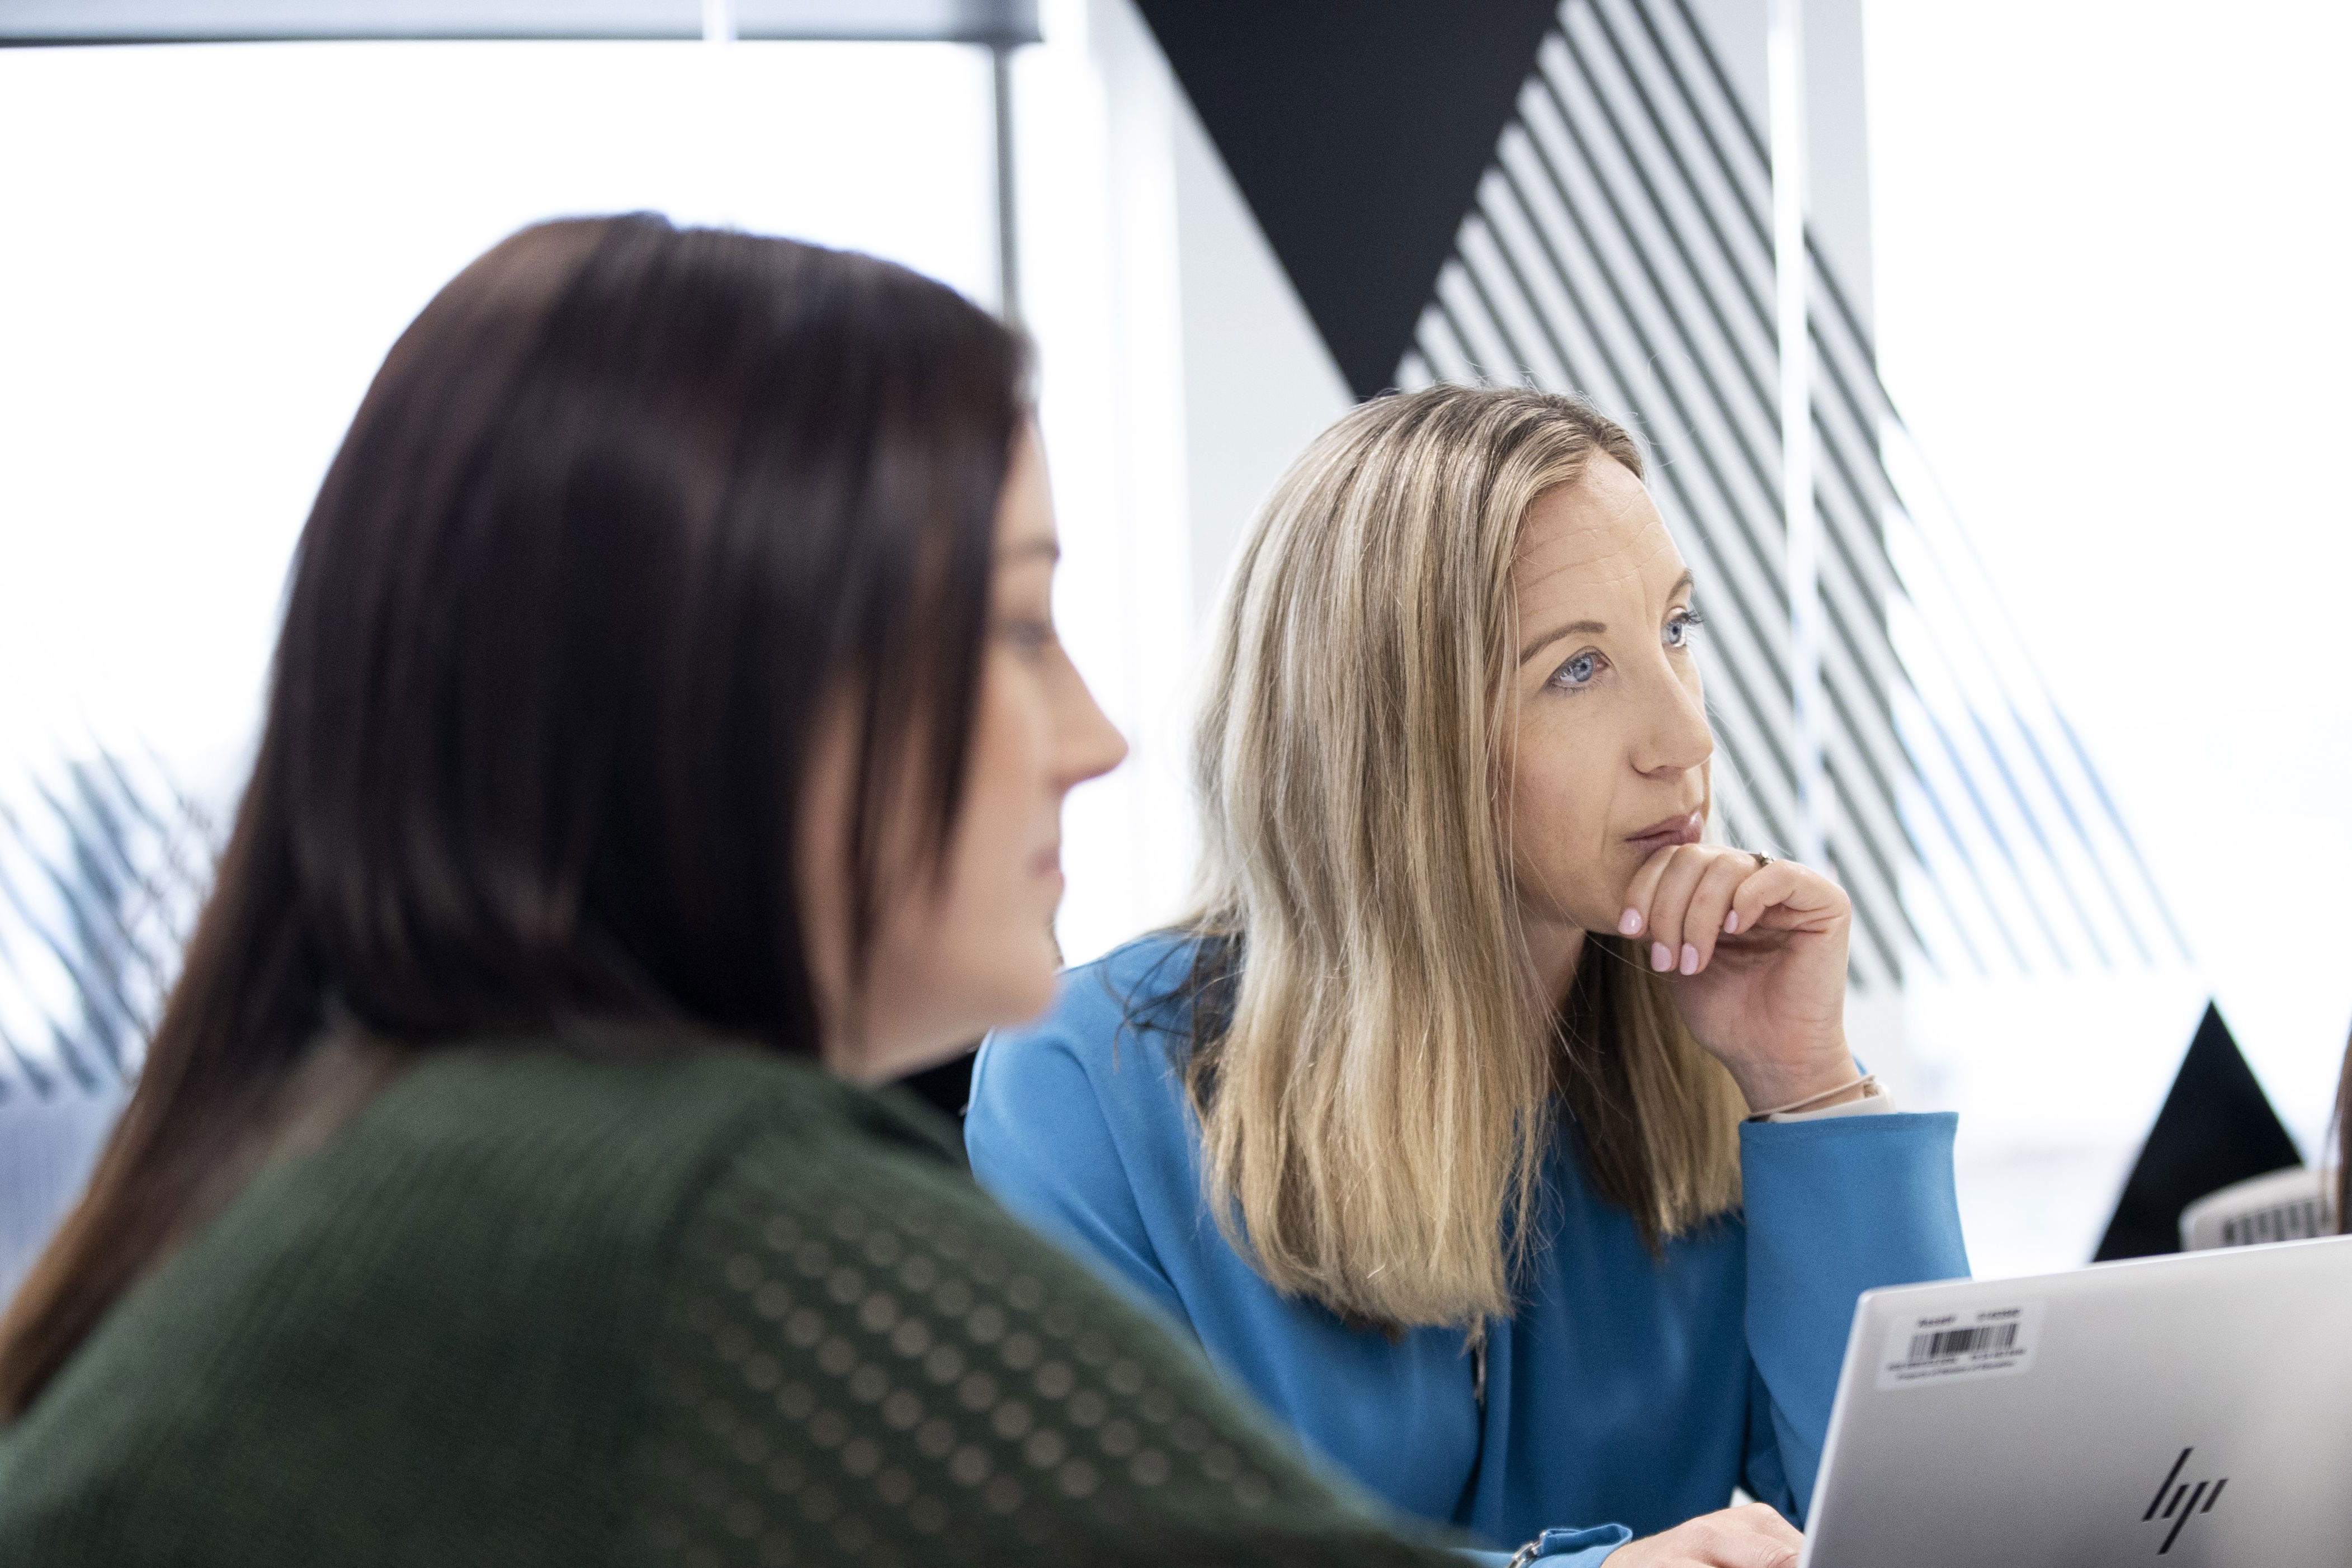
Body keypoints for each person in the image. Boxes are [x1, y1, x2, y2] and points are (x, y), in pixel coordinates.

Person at [0, 218, 1550, 1566]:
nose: (1095, 734)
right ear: (726, 699)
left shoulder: (413, 1148)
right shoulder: (687, 1214)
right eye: (1016, 629)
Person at [967, 386, 1971, 1567]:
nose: (1686, 739)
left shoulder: (1699, 1061)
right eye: (1579, 669)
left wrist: (1804, 1082)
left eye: (1677, 630)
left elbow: (1937, 1534)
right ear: (1395, 739)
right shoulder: (1093, 1083)